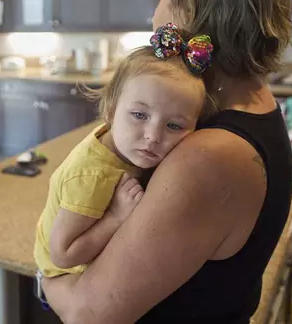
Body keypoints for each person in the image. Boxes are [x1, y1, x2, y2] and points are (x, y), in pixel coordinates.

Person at [40, 0, 292, 323]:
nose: (154, 17)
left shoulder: (211, 157)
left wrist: (44, 274)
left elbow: (86, 314)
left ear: (192, 10)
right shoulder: (255, 104)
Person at [34, 28, 214, 280]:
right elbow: (63, 254)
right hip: (68, 276)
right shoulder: (94, 176)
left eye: (174, 126)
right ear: (110, 110)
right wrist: (116, 217)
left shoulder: (121, 140)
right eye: (139, 115)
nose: (153, 136)